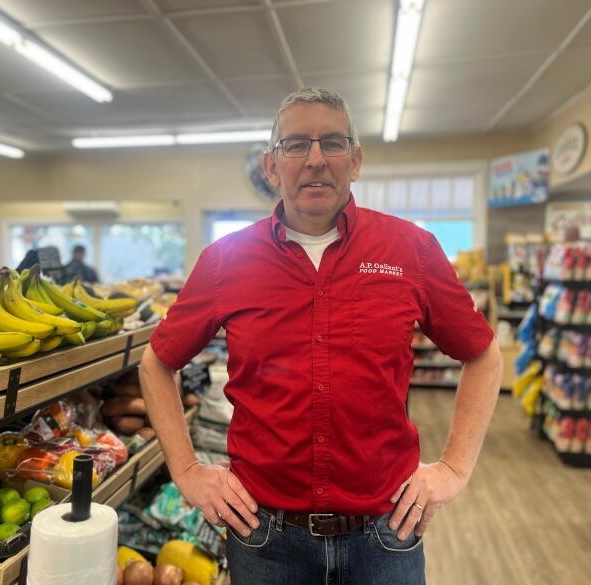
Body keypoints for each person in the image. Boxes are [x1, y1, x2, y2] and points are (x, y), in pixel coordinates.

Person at [139, 88, 502, 584]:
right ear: (272, 166)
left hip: (386, 533)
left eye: (332, 143)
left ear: (355, 161)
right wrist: (185, 471)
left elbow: (483, 355)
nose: (314, 159)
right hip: (265, 539)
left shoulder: (410, 248)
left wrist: (455, 469)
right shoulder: (225, 261)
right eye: (295, 145)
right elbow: (157, 363)